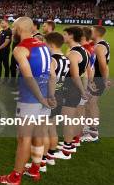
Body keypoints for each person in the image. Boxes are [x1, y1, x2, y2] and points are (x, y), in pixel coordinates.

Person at [0, 17, 55, 185]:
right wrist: (50, 95)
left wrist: (42, 98)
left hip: (30, 99)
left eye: (14, 28)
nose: (13, 31)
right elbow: (52, 74)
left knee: (23, 139)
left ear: (20, 29)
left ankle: (15, 177)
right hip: (44, 98)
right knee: (39, 135)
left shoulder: (20, 49)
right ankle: (35, 169)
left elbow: (28, 78)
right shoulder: (44, 46)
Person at [54, 26, 89, 160]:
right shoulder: (84, 51)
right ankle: (69, 145)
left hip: (71, 89)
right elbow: (84, 73)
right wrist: (83, 89)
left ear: (71, 35)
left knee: (67, 119)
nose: (63, 37)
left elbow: (74, 75)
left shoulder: (73, 54)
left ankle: (66, 151)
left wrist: (82, 91)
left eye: (64, 34)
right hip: (75, 89)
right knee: (70, 118)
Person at [43, 32, 70, 163]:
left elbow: (52, 77)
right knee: (52, 126)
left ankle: (41, 162)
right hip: (60, 93)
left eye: (45, 44)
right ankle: (51, 155)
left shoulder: (52, 59)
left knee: (44, 129)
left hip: (52, 94)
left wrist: (50, 95)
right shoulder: (65, 58)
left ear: (51, 44)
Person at [83, 26, 110, 142]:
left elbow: (103, 65)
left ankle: (93, 132)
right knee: (89, 103)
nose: (89, 32)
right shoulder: (100, 44)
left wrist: (104, 80)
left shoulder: (99, 46)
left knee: (91, 103)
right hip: (96, 78)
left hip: (97, 79)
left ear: (97, 33)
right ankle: (89, 128)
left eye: (91, 30)